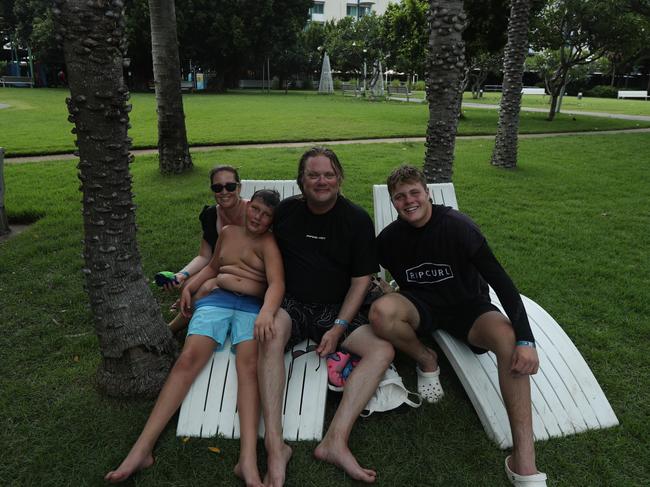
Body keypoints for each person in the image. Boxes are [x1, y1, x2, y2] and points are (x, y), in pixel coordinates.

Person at [369, 165, 547, 487]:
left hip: (469, 309)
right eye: (399, 197)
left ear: (428, 193)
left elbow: (502, 283)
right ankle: (426, 359)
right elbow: (361, 270)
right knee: (381, 313)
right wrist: (382, 287)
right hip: (422, 307)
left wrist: (527, 340)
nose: (408, 201)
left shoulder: (458, 227)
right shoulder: (389, 240)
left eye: (414, 193)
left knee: (507, 340)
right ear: (393, 202)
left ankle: (524, 459)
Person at [105, 190, 284, 487]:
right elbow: (213, 266)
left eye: (266, 216)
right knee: (187, 360)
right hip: (217, 300)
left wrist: (267, 312)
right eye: (255, 210)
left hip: (252, 307)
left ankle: (247, 460)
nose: (258, 218)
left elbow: (277, 283)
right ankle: (142, 449)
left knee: (248, 369)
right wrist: (190, 286)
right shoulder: (228, 233)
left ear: (271, 222)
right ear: (248, 206)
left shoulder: (269, 244)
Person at [255, 147, 394, 486]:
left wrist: (339, 326)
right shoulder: (286, 212)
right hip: (293, 303)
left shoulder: (356, 220)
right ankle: (276, 447)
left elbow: (362, 280)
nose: (321, 181)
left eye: (328, 174)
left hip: (336, 308)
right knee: (270, 335)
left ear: (339, 178)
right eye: (313, 174)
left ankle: (335, 440)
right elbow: (254, 240)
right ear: (301, 180)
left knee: (383, 350)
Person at [166, 165, 248, 333]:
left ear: (239, 187)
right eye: (217, 187)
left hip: (245, 273)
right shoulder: (211, 215)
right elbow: (204, 257)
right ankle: (188, 304)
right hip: (218, 267)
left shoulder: (253, 213)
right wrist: (182, 274)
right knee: (186, 284)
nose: (224, 192)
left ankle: (169, 331)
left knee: (202, 290)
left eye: (230, 186)